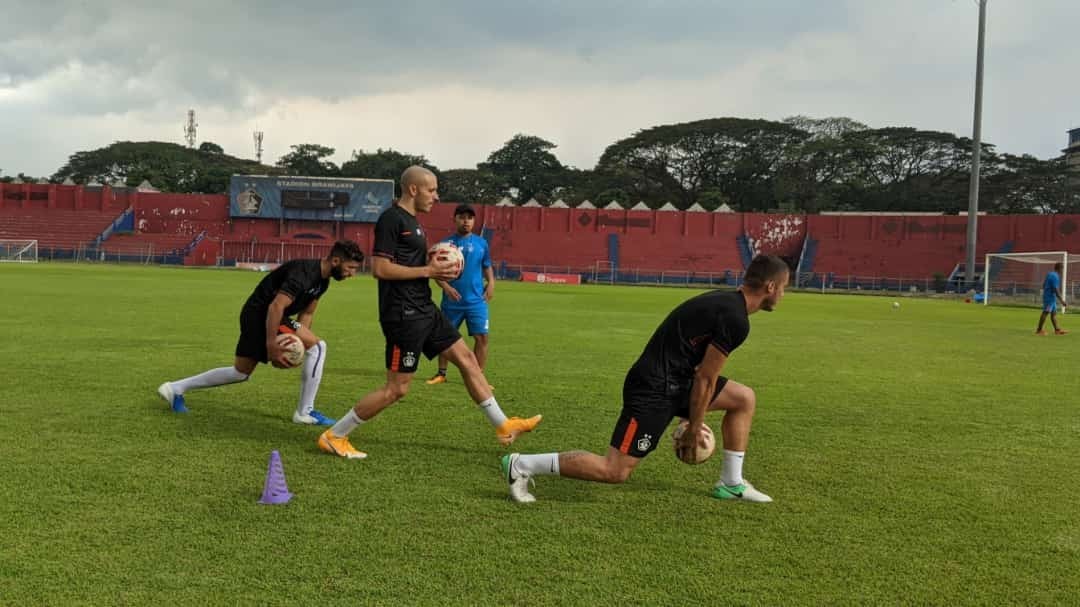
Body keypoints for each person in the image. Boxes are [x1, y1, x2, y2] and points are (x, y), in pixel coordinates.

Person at [500, 254, 790, 503]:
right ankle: (522, 465)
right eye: (784, 288)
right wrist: (694, 426)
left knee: (743, 399)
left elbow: (698, 366)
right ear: (771, 286)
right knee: (614, 470)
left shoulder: (727, 303)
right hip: (654, 389)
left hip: (676, 381)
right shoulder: (735, 318)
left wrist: (690, 413)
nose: (783, 295)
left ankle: (731, 482)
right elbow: (705, 379)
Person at [317, 166, 541, 459]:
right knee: (397, 389)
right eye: (432, 190)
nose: (436, 196)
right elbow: (379, 269)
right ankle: (335, 435)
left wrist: (438, 265)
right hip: (403, 314)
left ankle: (503, 425)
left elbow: (414, 262)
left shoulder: (415, 223)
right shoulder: (391, 219)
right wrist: (429, 269)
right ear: (413, 189)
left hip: (425, 307)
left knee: (467, 359)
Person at [157, 240, 366, 425]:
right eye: (351, 268)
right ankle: (305, 412)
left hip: (264, 314)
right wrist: (271, 345)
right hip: (261, 314)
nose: (352, 273)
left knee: (240, 373)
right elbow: (276, 307)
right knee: (320, 347)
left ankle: (174, 388)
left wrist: (301, 344)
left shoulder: (323, 281)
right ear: (336, 261)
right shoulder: (303, 274)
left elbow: (307, 314)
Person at [426, 203, 495, 386]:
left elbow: (487, 266)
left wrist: (491, 283)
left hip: (476, 301)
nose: (466, 221)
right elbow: (433, 271)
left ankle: (478, 376)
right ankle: (441, 373)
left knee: (482, 338)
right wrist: (446, 287)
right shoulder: (445, 245)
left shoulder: (482, 243)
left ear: (474, 221)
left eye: (470, 218)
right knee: (445, 338)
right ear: (454, 219)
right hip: (452, 301)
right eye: (462, 217)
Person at [1036, 262, 1068, 335]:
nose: (1063, 270)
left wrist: (1046, 291)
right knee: (1046, 312)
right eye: (1062, 268)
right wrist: (1062, 300)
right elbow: (1055, 289)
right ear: (1060, 268)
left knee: (1053, 314)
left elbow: (1044, 285)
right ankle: (1039, 330)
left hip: (1050, 296)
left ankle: (1057, 330)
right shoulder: (1055, 276)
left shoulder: (1050, 274)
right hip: (1049, 297)